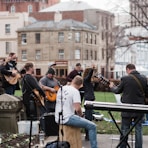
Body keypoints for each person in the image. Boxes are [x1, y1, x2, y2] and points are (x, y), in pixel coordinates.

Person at [109, 63, 148, 148]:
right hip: (140, 108)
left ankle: (123, 146)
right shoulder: (144, 79)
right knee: (139, 129)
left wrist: (112, 87)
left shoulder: (125, 78)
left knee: (125, 128)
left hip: (127, 108)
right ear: (135, 68)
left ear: (128, 69)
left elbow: (117, 91)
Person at [55, 75, 98, 148]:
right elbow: (78, 109)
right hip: (67, 118)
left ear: (72, 81)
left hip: (57, 117)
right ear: (81, 85)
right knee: (92, 126)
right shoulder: (75, 91)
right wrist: (82, 116)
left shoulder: (62, 88)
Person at [83, 65, 96, 141]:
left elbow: (93, 89)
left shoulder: (89, 82)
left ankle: (88, 134)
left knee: (90, 117)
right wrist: (92, 69)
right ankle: (87, 135)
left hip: (91, 99)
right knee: (88, 118)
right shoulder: (85, 80)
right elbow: (88, 76)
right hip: (88, 100)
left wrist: (97, 83)